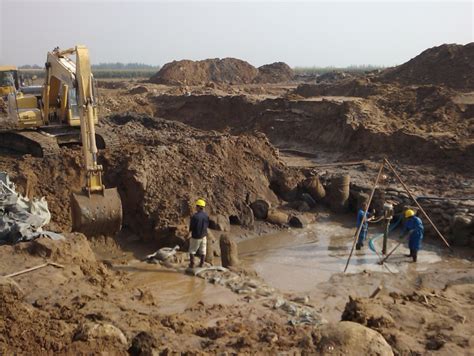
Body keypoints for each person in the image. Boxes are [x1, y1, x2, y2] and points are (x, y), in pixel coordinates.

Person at [188, 199, 209, 268]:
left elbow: (192, 227)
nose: (195, 207)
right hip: (203, 235)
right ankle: (201, 264)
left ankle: (192, 264)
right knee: (203, 250)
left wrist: (189, 233)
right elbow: (207, 224)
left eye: (196, 206)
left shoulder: (195, 216)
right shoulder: (206, 215)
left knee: (192, 250)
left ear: (198, 207)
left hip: (196, 236)